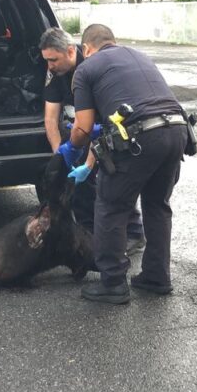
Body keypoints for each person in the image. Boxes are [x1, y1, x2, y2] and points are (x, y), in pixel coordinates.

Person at [62, 24, 188, 305]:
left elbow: (83, 128)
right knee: (157, 205)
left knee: (110, 205)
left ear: (86, 49)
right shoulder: (139, 55)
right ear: (113, 42)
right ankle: (156, 277)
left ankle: (113, 282)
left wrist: (71, 149)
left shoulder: (87, 68)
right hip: (176, 131)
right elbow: (108, 127)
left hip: (141, 137)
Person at [38, 28, 146, 256]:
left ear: (70, 51)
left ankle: (134, 233)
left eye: (53, 60)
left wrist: (88, 163)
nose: (49, 65)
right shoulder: (55, 73)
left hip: (104, 126)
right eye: (46, 60)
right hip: (79, 129)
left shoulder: (90, 65)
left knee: (111, 177)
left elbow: (95, 125)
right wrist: (61, 155)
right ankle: (88, 236)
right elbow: (50, 118)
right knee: (78, 185)